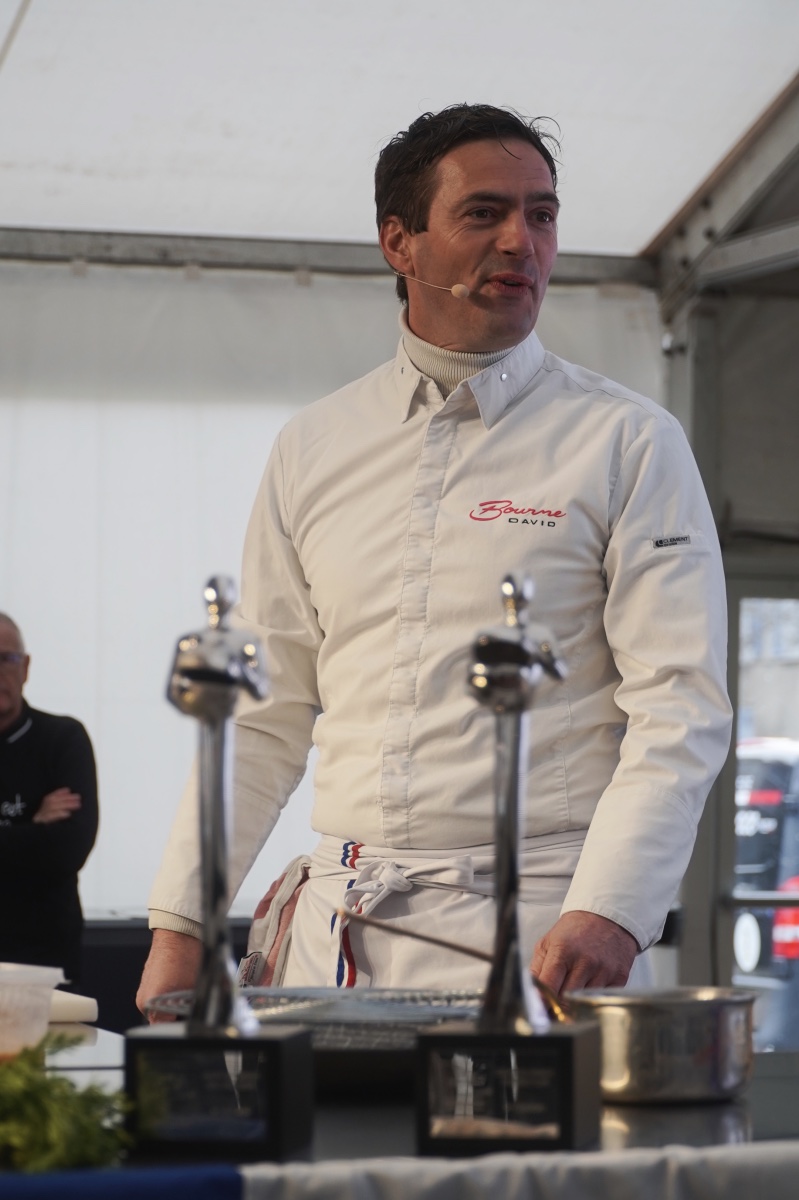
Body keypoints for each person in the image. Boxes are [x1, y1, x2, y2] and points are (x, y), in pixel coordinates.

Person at [138, 103, 732, 1012]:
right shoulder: (314, 445)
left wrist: (612, 910)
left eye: (541, 215)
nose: (521, 242)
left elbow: (678, 702)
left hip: (547, 930)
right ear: (398, 242)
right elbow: (263, 712)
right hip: (338, 930)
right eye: (483, 212)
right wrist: (180, 925)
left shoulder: (627, 441)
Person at [0, 613, 98, 985]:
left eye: (6, 659)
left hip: (45, 961)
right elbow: (44, 849)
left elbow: (69, 849)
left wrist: (22, 835)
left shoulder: (63, 739)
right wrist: (34, 826)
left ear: (25, 667)